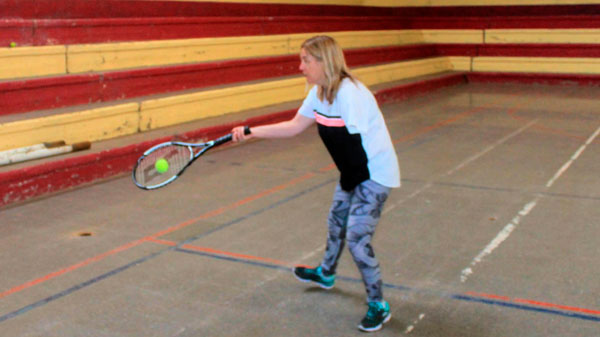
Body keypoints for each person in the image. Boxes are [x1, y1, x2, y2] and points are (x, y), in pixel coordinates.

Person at [232, 35, 400, 332]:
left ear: (325, 62)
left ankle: (378, 305)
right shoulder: (319, 93)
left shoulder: (351, 94)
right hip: (353, 169)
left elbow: (356, 148)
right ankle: (326, 273)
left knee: (358, 241)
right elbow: (294, 126)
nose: (300, 67)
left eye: (306, 61)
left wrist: (352, 188)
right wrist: (251, 131)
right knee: (336, 223)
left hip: (374, 173)